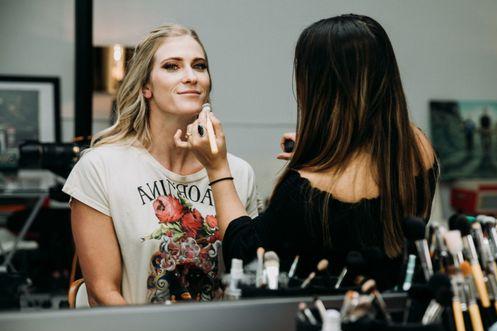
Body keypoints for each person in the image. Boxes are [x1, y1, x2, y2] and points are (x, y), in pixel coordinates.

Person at [175, 14, 438, 290]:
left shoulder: (302, 194)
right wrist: (333, 149)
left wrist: (217, 168)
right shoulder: (418, 148)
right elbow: (370, 151)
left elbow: (247, 255)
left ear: (316, 87)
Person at [63, 24, 258, 306]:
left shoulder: (237, 173)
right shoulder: (100, 168)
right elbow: (103, 293)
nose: (191, 77)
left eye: (199, 66)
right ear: (146, 87)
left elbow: (250, 276)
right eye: (172, 66)